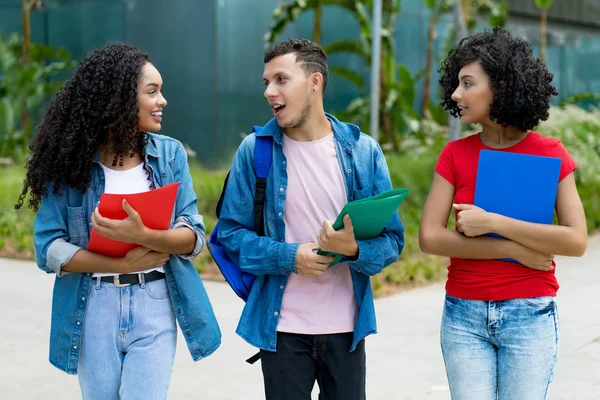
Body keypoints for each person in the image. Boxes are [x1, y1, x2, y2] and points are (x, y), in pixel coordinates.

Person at [15, 43, 221, 400]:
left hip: (155, 300)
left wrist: (146, 235)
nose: (163, 101)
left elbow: (195, 235)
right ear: (120, 99)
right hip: (94, 305)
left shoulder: (169, 154)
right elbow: (48, 248)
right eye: (152, 91)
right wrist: (118, 262)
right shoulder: (71, 162)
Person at [217, 38, 404, 400]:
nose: (270, 92)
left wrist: (353, 250)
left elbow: (393, 241)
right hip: (281, 329)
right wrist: (290, 258)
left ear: (314, 82)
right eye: (266, 83)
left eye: (281, 80)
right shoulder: (255, 151)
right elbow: (230, 237)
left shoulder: (362, 151)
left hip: (347, 330)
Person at [419, 27, 588, 400]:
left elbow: (576, 240)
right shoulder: (454, 155)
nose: (455, 95)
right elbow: (430, 237)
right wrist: (512, 250)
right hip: (464, 316)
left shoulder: (551, 154)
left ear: (501, 86)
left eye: (467, 84)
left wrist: (493, 224)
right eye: (456, 84)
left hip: (530, 315)